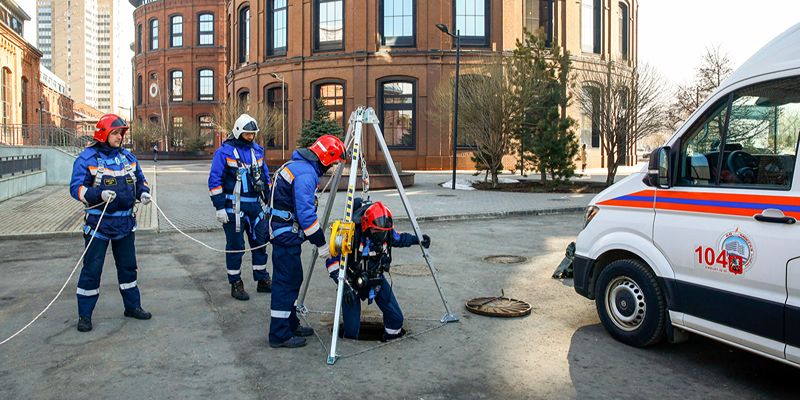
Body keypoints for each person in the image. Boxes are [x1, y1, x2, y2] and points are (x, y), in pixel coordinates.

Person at [68, 114, 153, 332]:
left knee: (128, 267)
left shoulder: (128, 158)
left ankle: (132, 306)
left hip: (125, 224)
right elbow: (76, 188)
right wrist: (98, 195)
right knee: (92, 270)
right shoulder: (87, 159)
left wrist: (143, 193)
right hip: (99, 225)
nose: (119, 137)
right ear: (103, 134)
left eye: (121, 133)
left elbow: (140, 180)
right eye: (115, 133)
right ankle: (85, 316)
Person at [267, 134, 346, 348]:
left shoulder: (297, 165)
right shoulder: (306, 173)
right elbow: (306, 216)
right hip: (285, 234)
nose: (332, 169)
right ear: (327, 158)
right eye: (334, 163)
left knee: (293, 279)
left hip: (284, 232)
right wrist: (321, 244)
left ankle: (290, 323)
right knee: (286, 282)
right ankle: (279, 334)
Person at [324, 200, 430, 341]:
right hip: (352, 282)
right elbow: (332, 260)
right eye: (377, 231)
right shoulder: (350, 234)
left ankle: (389, 338)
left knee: (396, 318)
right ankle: (350, 337)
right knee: (351, 330)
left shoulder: (387, 232)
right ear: (367, 226)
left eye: (383, 232)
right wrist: (343, 284)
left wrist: (418, 240)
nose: (380, 234)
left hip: (376, 279)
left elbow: (400, 239)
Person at [208, 114, 273, 301]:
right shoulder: (224, 152)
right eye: (247, 134)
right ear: (238, 132)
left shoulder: (257, 151)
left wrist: (269, 200)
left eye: (253, 134)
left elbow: (265, 177)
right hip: (233, 207)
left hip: (255, 206)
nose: (251, 137)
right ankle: (235, 282)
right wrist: (219, 207)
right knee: (236, 246)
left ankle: (262, 279)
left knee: (260, 243)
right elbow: (214, 180)